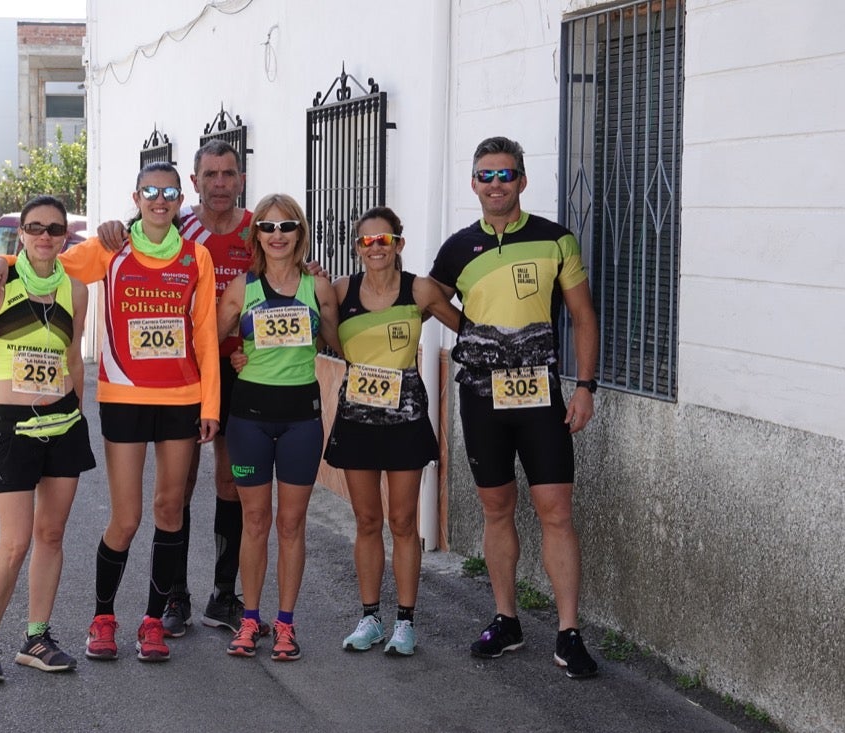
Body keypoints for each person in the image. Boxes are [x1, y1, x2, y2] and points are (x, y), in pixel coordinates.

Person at [428, 135, 601, 678]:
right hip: (482, 398)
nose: (496, 184)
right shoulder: (457, 248)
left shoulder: (555, 239)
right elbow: (426, 296)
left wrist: (585, 386)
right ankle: (507, 620)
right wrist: (471, 331)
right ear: (473, 183)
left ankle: (569, 632)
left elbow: (584, 315)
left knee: (556, 511)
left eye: (505, 175)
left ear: (522, 180)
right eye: (486, 175)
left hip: (540, 395)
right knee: (497, 509)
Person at [60, 162, 220, 663]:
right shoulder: (112, 248)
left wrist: (210, 404)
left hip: (181, 396)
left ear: (180, 200)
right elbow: (51, 265)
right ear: (136, 197)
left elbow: (205, 335)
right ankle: (103, 618)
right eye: (150, 191)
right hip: (124, 396)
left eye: (169, 192)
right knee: (126, 517)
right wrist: (3, 266)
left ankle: (153, 621)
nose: (159, 199)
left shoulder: (196, 257)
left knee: (170, 510)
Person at [96, 140, 255, 637]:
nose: (220, 183)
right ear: (195, 182)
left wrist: (314, 273)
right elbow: (122, 241)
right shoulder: (178, 228)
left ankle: (223, 594)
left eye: (229, 173)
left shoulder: (259, 230)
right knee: (177, 489)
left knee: (230, 482)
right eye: (211, 175)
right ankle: (174, 596)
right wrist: (110, 229)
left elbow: (287, 274)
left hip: (243, 366)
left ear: (241, 179)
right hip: (183, 370)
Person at [0, 194, 96, 684]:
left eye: (54, 229)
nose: (44, 236)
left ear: (65, 237)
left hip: (63, 423)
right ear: (22, 234)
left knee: (51, 535)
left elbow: (73, 359)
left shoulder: (76, 291)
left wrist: (79, 416)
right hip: (12, 427)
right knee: (14, 542)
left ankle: (37, 638)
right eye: (35, 227)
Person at [324, 206, 462, 657]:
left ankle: (405, 621)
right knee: (367, 520)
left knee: (403, 522)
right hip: (357, 419)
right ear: (357, 248)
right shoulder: (340, 290)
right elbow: (321, 336)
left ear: (398, 243)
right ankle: (369, 618)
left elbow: (466, 327)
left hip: (405, 421)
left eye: (384, 240)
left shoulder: (418, 290)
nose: (376, 248)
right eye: (367, 241)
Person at [215, 193, 342, 662]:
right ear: (257, 235)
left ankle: (286, 624)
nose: (277, 235)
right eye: (267, 227)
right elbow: (209, 340)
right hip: (248, 419)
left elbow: (338, 342)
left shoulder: (317, 286)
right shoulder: (241, 287)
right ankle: (250, 620)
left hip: (300, 419)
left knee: (291, 523)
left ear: (299, 232)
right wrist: (234, 353)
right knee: (254, 521)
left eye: (286, 226)